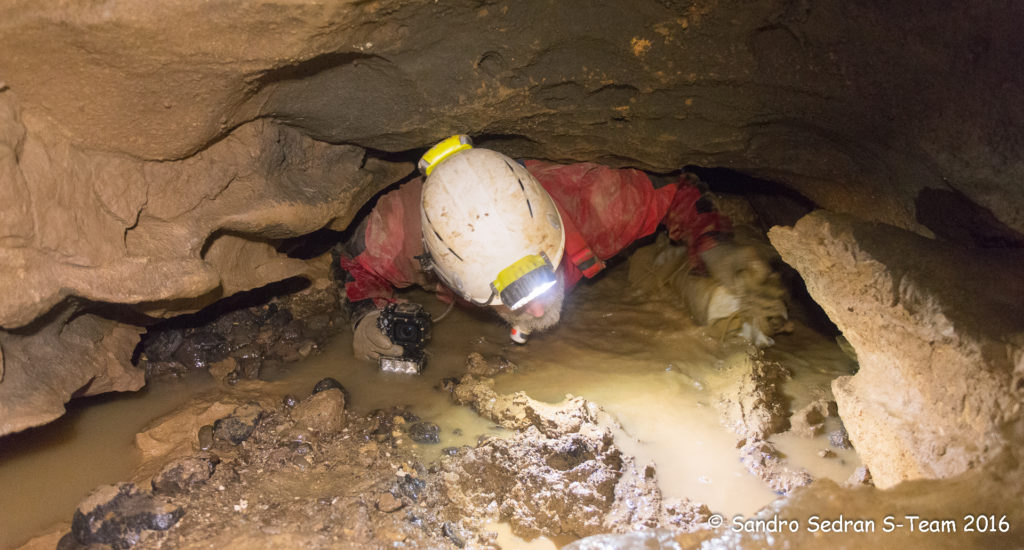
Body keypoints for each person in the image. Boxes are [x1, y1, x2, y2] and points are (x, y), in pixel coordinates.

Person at [339, 135, 786, 362]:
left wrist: (714, 245)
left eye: (543, 280)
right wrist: (368, 320)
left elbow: (676, 193)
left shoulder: (597, 204)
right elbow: (354, 269)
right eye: (511, 297)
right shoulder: (397, 232)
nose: (536, 313)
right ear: (441, 270)